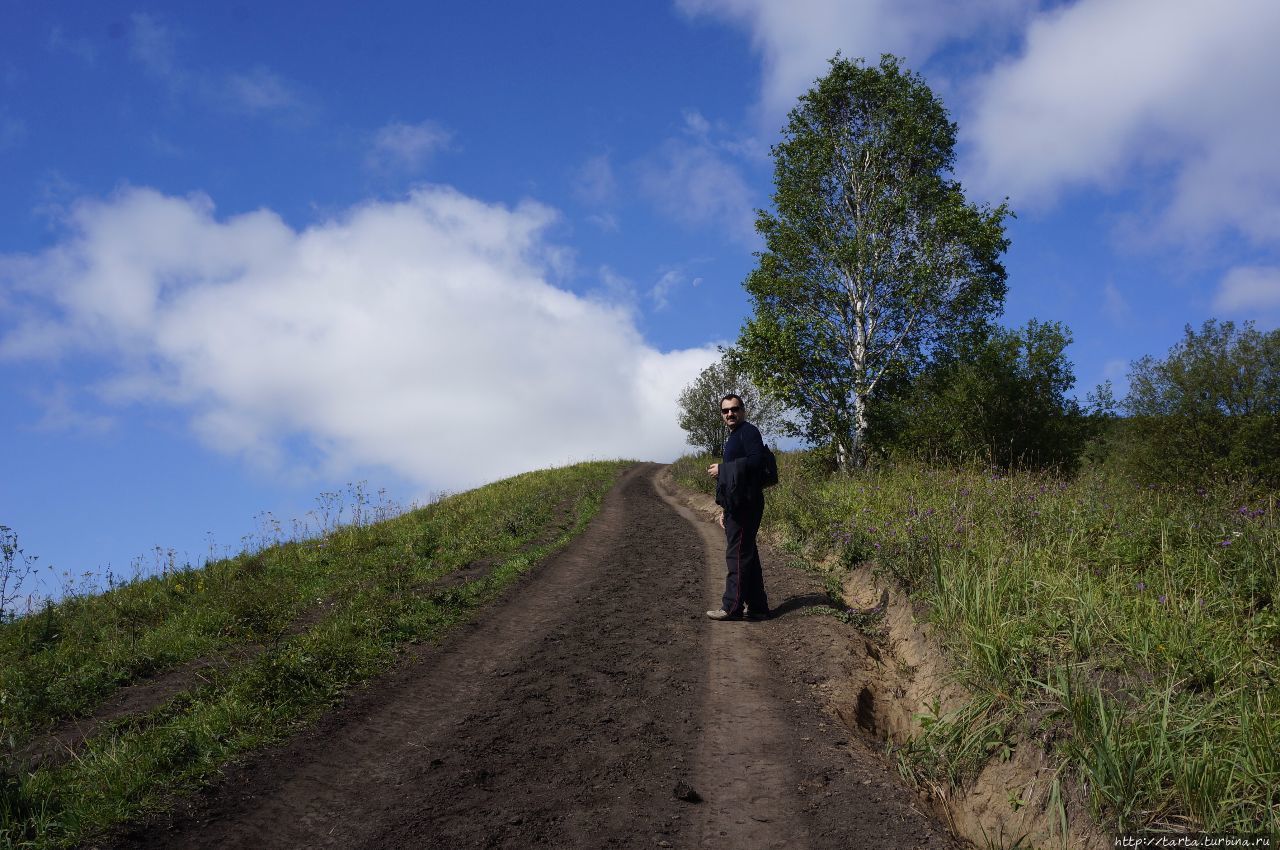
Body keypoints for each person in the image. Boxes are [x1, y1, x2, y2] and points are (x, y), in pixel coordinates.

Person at [705, 394, 770, 621]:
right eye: (725, 411)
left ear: (743, 410)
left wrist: (722, 470)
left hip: (747, 505)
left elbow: (756, 461)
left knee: (737, 556)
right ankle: (758, 607)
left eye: (734, 409)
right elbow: (736, 481)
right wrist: (726, 509)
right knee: (747, 554)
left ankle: (731, 607)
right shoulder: (734, 436)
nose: (730, 414)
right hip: (738, 505)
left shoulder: (749, 432)